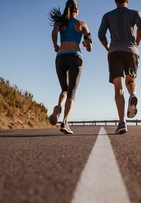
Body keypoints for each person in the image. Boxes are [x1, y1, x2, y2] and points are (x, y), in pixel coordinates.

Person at [98, 0, 141, 134]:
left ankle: (122, 122)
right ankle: (133, 94)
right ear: (127, 0)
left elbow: (101, 34)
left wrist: (107, 46)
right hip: (132, 51)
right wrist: (136, 43)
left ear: (115, 1)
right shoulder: (135, 13)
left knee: (118, 88)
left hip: (115, 51)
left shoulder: (108, 15)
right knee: (131, 81)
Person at [48, 0, 92, 134]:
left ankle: (58, 107)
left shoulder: (60, 22)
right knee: (71, 93)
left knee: (64, 89)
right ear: (77, 10)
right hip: (75, 57)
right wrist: (85, 44)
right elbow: (89, 47)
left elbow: (54, 33)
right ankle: (65, 122)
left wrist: (55, 46)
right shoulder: (82, 24)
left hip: (60, 57)